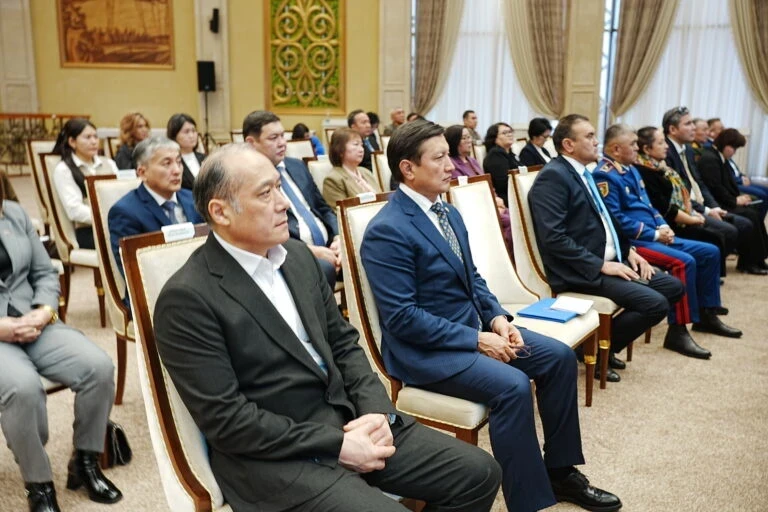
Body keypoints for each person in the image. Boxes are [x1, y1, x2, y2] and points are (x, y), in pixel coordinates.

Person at [153, 143, 502, 512]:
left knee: (479, 473)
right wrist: (337, 444)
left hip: (350, 417)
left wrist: (375, 411)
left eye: (279, 187)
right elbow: (229, 421)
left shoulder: (297, 257)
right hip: (279, 456)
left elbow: (344, 344)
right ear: (220, 211)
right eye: (265, 193)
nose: (283, 203)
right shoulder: (188, 298)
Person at [361, 120, 621, 512]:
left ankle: (561, 473)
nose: (451, 165)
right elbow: (403, 318)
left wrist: (498, 319)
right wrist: (477, 339)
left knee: (558, 358)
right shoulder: (387, 230)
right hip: (425, 352)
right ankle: (529, 502)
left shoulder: (448, 213)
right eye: (439, 158)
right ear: (408, 169)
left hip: (473, 329)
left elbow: (474, 280)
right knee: (512, 386)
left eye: (449, 156)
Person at [528, 114, 685, 382]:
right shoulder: (553, 177)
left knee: (672, 287)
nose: (596, 141)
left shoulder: (582, 173)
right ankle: (599, 351)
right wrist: (601, 265)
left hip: (610, 259)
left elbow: (607, 221)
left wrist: (629, 252)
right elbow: (553, 238)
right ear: (568, 145)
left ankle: (605, 345)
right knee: (654, 304)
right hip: (581, 270)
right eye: (589, 136)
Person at [0, 186, 121, 511]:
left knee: (98, 367)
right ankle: (39, 486)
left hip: (33, 320)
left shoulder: (14, 213)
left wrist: (44, 311)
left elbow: (44, 272)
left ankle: (85, 462)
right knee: (23, 388)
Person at [594, 125, 740, 362]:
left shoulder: (631, 169)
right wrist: (654, 234)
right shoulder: (605, 175)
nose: (637, 148)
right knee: (683, 263)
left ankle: (707, 314)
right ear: (616, 149)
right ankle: (678, 331)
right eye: (632, 144)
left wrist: (663, 226)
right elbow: (615, 220)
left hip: (654, 234)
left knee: (710, 252)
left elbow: (649, 206)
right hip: (636, 241)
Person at [243, 110, 341, 288]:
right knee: (324, 268)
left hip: (328, 246)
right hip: (288, 253)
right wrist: (309, 252)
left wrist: (338, 237)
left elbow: (323, 208)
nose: (282, 143)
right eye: (273, 138)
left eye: (282, 135)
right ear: (251, 143)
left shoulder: (296, 166)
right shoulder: (247, 180)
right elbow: (258, 231)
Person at [663, 106, 766, 275]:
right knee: (733, 229)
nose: (693, 128)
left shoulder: (687, 149)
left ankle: (735, 264)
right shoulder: (666, 153)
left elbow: (699, 183)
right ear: (673, 129)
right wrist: (706, 210)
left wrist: (713, 207)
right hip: (686, 209)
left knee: (748, 217)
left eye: (692, 123)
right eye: (688, 124)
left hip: (701, 204)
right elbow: (678, 194)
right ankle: (712, 270)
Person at [635, 126, 733, 278]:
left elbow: (684, 195)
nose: (666, 146)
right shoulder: (646, 171)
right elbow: (665, 208)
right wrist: (692, 219)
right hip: (669, 224)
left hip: (677, 218)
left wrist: (694, 213)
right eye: (661, 143)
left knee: (717, 235)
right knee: (714, 240)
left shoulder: (662, 167)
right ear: (647, 149)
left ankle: (708, 280)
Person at [109, 135, 203, 282]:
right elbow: (133, 273)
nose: (177, 170)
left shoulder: (193, 199)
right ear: (142, 173)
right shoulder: (125, 212)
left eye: (179, 162)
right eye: (167, 164)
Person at [52, 118, 118, 250]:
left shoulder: (109, 163)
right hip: (89, 231)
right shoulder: (64, 170)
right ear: (72, 142)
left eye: (95, 137)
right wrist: (107, 217)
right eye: (87, 137)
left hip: (116, 224)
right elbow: (75, 210)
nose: (94, 141)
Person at [445, 124, 513, 252]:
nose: (469, 141)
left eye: (469, 137)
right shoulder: (452, 164)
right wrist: (492, 203)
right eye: (464, 138)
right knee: (509, 221)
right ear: (454, 142)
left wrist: (496, 199)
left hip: (490, 203)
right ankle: (506, 257)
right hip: (475, 209)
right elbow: (464, 194)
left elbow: (487, 184)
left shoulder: (472, 161)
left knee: (515, 216)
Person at [698, 129, 768, 237]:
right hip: (717, 203)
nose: (734, 152)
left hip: (723, 200)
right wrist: (735, 200)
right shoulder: (710, 159)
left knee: (753, 211)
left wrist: (738, 198)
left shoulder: (719, 157)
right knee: (750, 215)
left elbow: (728, 184)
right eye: (734, 148)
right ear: (725, 144)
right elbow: (716, 188)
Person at [322, 128, 381, 207]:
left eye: (362, 145)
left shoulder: (366, 172)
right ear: (340, 150)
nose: (361, 150)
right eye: (356, 144)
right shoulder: (333, 180)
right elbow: (340, 211)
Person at [483, 122, 520, 206]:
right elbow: (503, 184)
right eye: (504, 133)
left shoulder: (510, 154)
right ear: (495, 139)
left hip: (515, 192)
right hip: (506, 198)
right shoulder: (495, 155)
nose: (509, 135)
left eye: (510, 132)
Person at [166, 113, 206, 190]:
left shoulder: (204, 158)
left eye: (194, 131)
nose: (191, 136)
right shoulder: (171, 161)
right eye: (186, 132)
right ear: (174, 136)